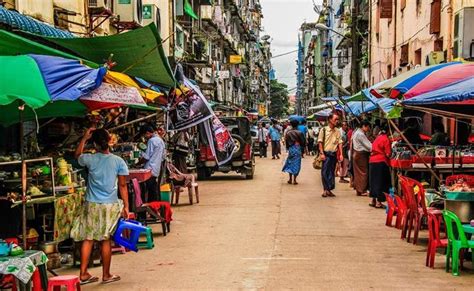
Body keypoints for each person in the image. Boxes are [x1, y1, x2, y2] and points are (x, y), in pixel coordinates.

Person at [72, 128, 129, 285]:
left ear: (95, 144)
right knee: (105, 240)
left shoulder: (89, 159)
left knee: (88, 238)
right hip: (109, 205)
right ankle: (106, 274)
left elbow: (76, 156)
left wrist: (84, 138)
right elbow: (123, 186)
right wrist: (126, 206)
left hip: (91, 204)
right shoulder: (118, 161)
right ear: (109, 141)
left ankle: (83, 274)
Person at [318, 113, 343, 198]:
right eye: (335, 119)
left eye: (338, 119)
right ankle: (325, 190)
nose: (337, 121)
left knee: (331, 173)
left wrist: (341, 154)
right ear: (330, 120)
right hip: (326, 154)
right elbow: (320, 142)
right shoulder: (324, 130)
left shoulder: (337, 131)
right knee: (324, 172)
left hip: (333, 154)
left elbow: (340, 143)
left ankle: (329, 190)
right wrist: (321, 153)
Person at [141, 125, 166, 202]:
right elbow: (163, 156)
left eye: (144, 135)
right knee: (153, 189)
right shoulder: (160, 140)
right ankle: (154, 208)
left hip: (149, 169)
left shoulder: (151, 141)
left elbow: (146, 157)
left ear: (148, 133)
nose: (145, 137)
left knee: (149, 190)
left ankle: (150, 208)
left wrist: (138, 162)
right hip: (156, 169)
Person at [369, 123, 392, 208]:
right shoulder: (386, 139)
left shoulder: (378, 138)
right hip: (381, 162)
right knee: (381, 182)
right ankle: (378, 202)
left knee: (373, 181)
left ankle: (373, 200)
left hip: (372, 161)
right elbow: (388, 153)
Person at [351, 120, 372, 196]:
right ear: (364, 126)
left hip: (357, 154)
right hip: (361, 155)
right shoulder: (360, 134)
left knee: (358, 173)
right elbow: (369, 146)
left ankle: (359, 190)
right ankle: (362, 190)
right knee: (363, 172)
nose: (368, 129)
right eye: (368, 127)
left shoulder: (356, 132)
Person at [282, 119, 306, 185]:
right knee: (296, 164)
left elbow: (286, 142)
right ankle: (295, 180)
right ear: (297, 124)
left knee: (290, 162)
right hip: (297, 148)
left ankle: (290, 179)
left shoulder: (288, 132)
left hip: (291, 149)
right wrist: (303, 150)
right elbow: (303, 142)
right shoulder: (300, 132)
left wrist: (287, 148)